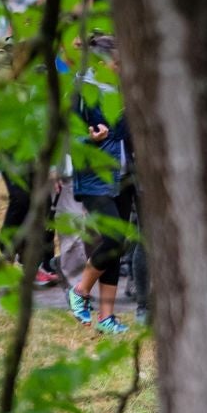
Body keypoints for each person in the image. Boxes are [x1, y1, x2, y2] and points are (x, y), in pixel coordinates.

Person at [64, 34, 135, 334]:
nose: (119, 67)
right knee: (112, 238)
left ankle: (107, 317)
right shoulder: (82, 88)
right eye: (115, 63)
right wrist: (89, 138)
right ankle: (79, 292)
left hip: (124, 174)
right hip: (95, 176)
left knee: (117, 245)